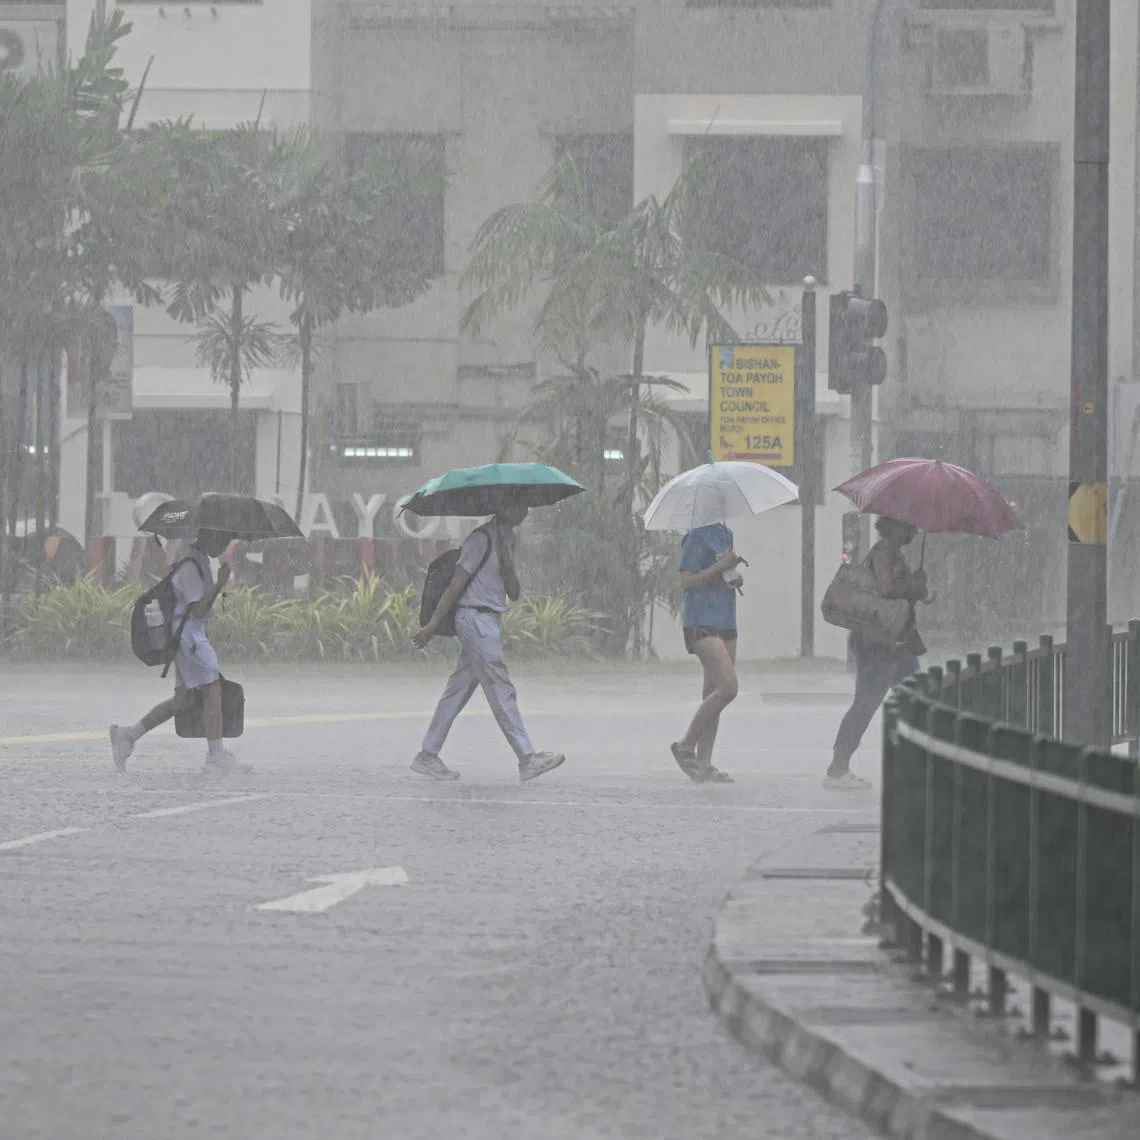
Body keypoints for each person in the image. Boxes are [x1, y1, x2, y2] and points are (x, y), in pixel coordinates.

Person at [411, 496, 565, 783]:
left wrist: (507, 564)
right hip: (474, 620)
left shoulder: (508, 540)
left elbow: (514, 592)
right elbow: (456, 585)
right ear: (503, 507)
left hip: (488, 621)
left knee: (457, 691)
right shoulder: (479, 540)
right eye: (519, 504)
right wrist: (432, 625)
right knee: (500, 687)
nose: (525, 511)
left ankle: (427, 755)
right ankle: (527, 757)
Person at [110, 528, 248, 776]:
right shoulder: (191, 566)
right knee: (212, 690)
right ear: (209, 537)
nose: (223, 545)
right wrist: (219, 583)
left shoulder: (198, 561)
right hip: (189, 638)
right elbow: (197, 610)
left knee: (181, 700)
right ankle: (216, 756)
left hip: (189, 636)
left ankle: (127, 735)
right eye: (222, 540)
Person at [826, 516, 928, 790]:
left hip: (898, 641)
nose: (914, 530)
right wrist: (912, 586)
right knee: (867, 702)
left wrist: (918, 589)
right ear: (894, 526)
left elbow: (898, 592)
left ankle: (915, 763)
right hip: (878, 642)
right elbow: (885, 589)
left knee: (915, 699)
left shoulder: (895, 553)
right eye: (909, 525)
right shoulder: (885, 550)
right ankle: (838, 767)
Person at [670, 522, 743, 784]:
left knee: (713, 692)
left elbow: (722, 574)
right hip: (701, 620)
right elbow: (686, 581)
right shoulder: (695, 536)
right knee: (728, 688)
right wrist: (718, 568)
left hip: (726, 619)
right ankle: (685, 744)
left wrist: (733, 573)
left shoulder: (726, 533)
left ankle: (703, 764)